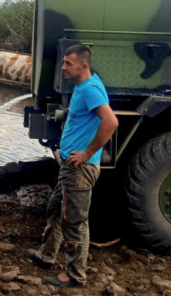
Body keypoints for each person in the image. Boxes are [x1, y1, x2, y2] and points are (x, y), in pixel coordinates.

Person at [26, 44, 118, 288]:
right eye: (64, 62)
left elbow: (111, 122)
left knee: (75, 222)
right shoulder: (82, 86)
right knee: (56, 209)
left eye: (68, 63)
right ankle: (46, 255)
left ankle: (75, 275)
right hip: (69, 167)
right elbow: (84, 116)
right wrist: (67, 114)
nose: (63, 67)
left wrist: (88, 153)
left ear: (83, 66)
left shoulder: (90, 90)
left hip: (79, 169)